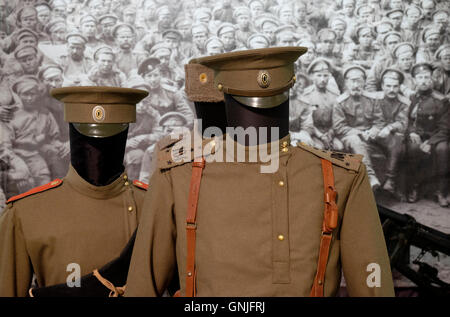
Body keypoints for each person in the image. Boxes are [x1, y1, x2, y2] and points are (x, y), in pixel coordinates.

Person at [125, 47, 394, 297]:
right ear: (290, 87)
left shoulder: (342, 175)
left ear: (223, 93)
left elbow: (372, 280)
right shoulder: (178, 173)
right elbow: (144, 280)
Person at [0, 86, 149, 297]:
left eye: (111, 139)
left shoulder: (154, 205)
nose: (100, 147)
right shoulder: (24, 213)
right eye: (90, 141)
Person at [406, 62, 449, 207]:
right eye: (420, 77)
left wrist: (430, 143)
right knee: (412, 148)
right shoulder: (411, 98)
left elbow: (445, 127)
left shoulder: (441, 100)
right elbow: (406, 119)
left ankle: (441, 191)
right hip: (417, 135)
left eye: (426, 77)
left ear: (432, 79)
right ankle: (414, 187)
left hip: (437, 136)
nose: (423, 80)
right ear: (414, 80)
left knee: (443, 150)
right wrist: (411, 132)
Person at [333, 65, 382, 190]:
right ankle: (370, 176)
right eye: (352, 81)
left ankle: (392, 184)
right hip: (349, 137)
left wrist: (374, 131)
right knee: (355, 140)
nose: (356, 85)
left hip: (371, 135)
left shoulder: (373, 99)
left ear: (364, 82)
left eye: (359, 80)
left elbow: (379, 121)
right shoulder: (340, 102)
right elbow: (339, 127)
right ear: (346, 83)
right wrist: (360, 133)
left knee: (394, 140)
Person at [372, 68, 410, 195]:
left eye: (395, 86)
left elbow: (403, 123)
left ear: (400, 87)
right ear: (382, 86)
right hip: (374, 133)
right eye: (388, 86)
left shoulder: (404, 103)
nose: (391, 89)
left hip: (393, 136)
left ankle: (391, 180)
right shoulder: (374, 98)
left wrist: (389, 128)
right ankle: (388, 181)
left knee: (399, 143)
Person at [301, 58, 343, 151]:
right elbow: (307, 122)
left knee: (339, 147)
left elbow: (338, 118)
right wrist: (320, 136)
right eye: (319, 75)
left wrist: (330, 133)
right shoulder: (306, 95)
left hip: (331, 132)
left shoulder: (335, 94)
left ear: (329, 76)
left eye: (325, 76)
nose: (323, 79)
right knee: (318, 148)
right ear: (312, 76)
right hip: (314, 133)